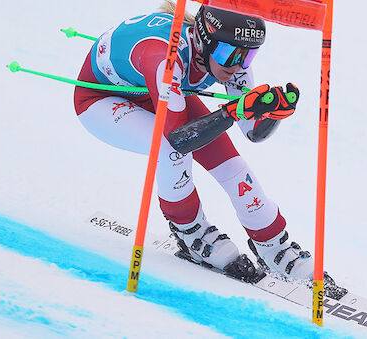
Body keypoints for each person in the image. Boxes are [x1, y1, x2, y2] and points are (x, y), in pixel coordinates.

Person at [73, 1, 314, 280]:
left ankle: (274, 244)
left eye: (247, 57)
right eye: (227, 54)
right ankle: (191, 232)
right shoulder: (165, 58)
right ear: (204, 40)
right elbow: (179, 140)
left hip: (161, 92)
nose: (237, 65)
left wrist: (273, 113)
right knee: (169, 150)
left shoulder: (231, 56)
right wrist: (232, 111)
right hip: (101, 100)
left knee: (230, 163)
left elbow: (252, 131)